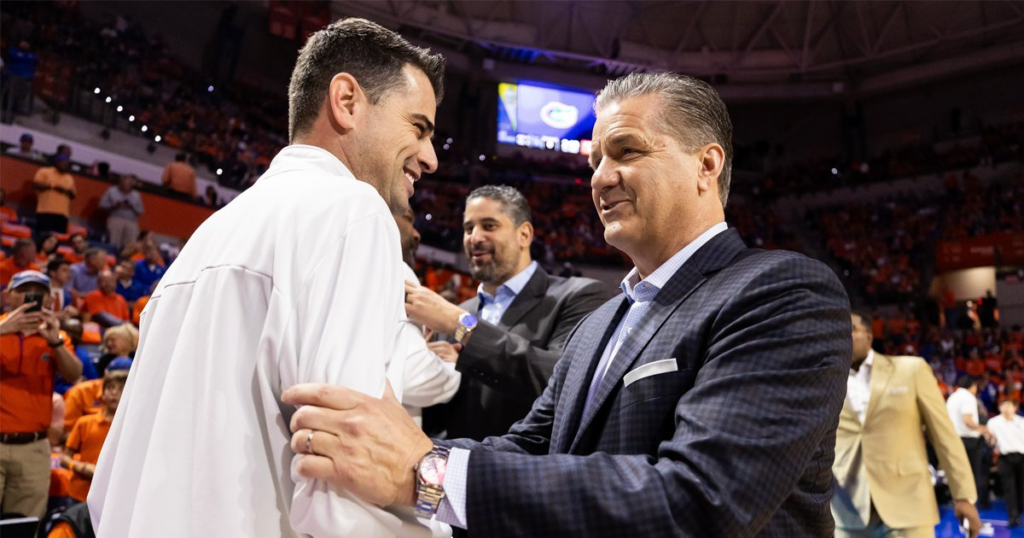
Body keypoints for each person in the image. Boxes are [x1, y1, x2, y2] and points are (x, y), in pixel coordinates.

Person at [282, 72, 852, 536]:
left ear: (707, 165)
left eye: (625, 151)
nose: (600, 179)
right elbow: (529, 446)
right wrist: (366, 444)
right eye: (594, 163)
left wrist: (424, 474)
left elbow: (699, 500)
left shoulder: (782, 293)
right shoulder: (603, 319)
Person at [89, 18, 448, 538]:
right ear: (346, 100)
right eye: (418, 127)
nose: (431, 158)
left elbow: (110, 489)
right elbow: (342, 493)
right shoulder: (352, 210)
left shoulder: (207, 237)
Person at [407, 185, 613, 440]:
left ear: (524, 234)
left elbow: (561, 381)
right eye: (469, 228)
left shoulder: (578, 296)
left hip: (526, 471)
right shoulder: (457, 313)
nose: (475, 237)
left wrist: (462, 326)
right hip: (457, 467)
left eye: (489, 226)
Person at [832, 312, 980, 537]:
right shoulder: (822, 383)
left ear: (869, 335)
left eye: (850, 329)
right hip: (846, 512)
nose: (841, 336)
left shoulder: (911, 369)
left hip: (909, 506)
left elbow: (944, 436)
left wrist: (963, 495)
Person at [0, 271, 81, 518]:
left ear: (48, 299)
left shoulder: (56, 336)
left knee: (25, 524)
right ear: (8, 295)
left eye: (37, 292)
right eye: (23, 290)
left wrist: (55, 342)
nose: (30, 297)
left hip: (34, 447)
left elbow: (74, 374)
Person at [393, 206, 461, 427]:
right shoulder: (397, 269)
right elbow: (413, 375)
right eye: (409, 220)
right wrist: (452, 369)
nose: (416, 233)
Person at [62, 369, 128, 503]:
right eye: (110, 388)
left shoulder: (130, 428)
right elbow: (65, 458)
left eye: (121, 389)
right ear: (102, 394)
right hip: (80, 494)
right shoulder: (85, 423)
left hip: (116, 495)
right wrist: (81, 467)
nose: (115, 393)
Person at [948, 375, 994, 509]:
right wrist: (983, 429)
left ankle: (959, 501)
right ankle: (977, 502)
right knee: (977, 472)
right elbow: (967, 420)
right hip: (970, 441)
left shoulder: (952, 397)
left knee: (959, 472)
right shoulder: (968, 397)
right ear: (972, 386)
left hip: (955, 439)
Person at [988, 399, 1024, 526]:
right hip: (1005, 457)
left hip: (1021, 457)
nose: (1006, 408)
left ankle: (1019, 512)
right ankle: (1012, 516)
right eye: (1003, 405)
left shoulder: (1021, 422)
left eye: (1009, 406)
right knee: (1009, 488)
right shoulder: (993, 422)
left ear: (1015, 407)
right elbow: (991, 441)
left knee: (1021, 487)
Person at [33, 153, 77, 238]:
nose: (65, 165)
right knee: (43, 237)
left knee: (59, 239)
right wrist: (53, 186)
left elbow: (73, 195)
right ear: (57, 162)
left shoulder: (69, 177)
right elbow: (36, 184)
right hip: (45, 211)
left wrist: (66, 191)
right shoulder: (45, 171)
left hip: (62, 214)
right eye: (63, 163)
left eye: (67, 163)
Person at [99, 173, 144, 249]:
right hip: (115, 219)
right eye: (126, 183)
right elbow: (102, 205)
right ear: (121, 182)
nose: (128, 185)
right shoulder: (111, 191)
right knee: (113, 243)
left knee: (130, 245)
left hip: (131, 222)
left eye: (130, 184)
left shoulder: (136, 194)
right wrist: (113, 205)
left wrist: (132, 206)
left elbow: (141, 211)